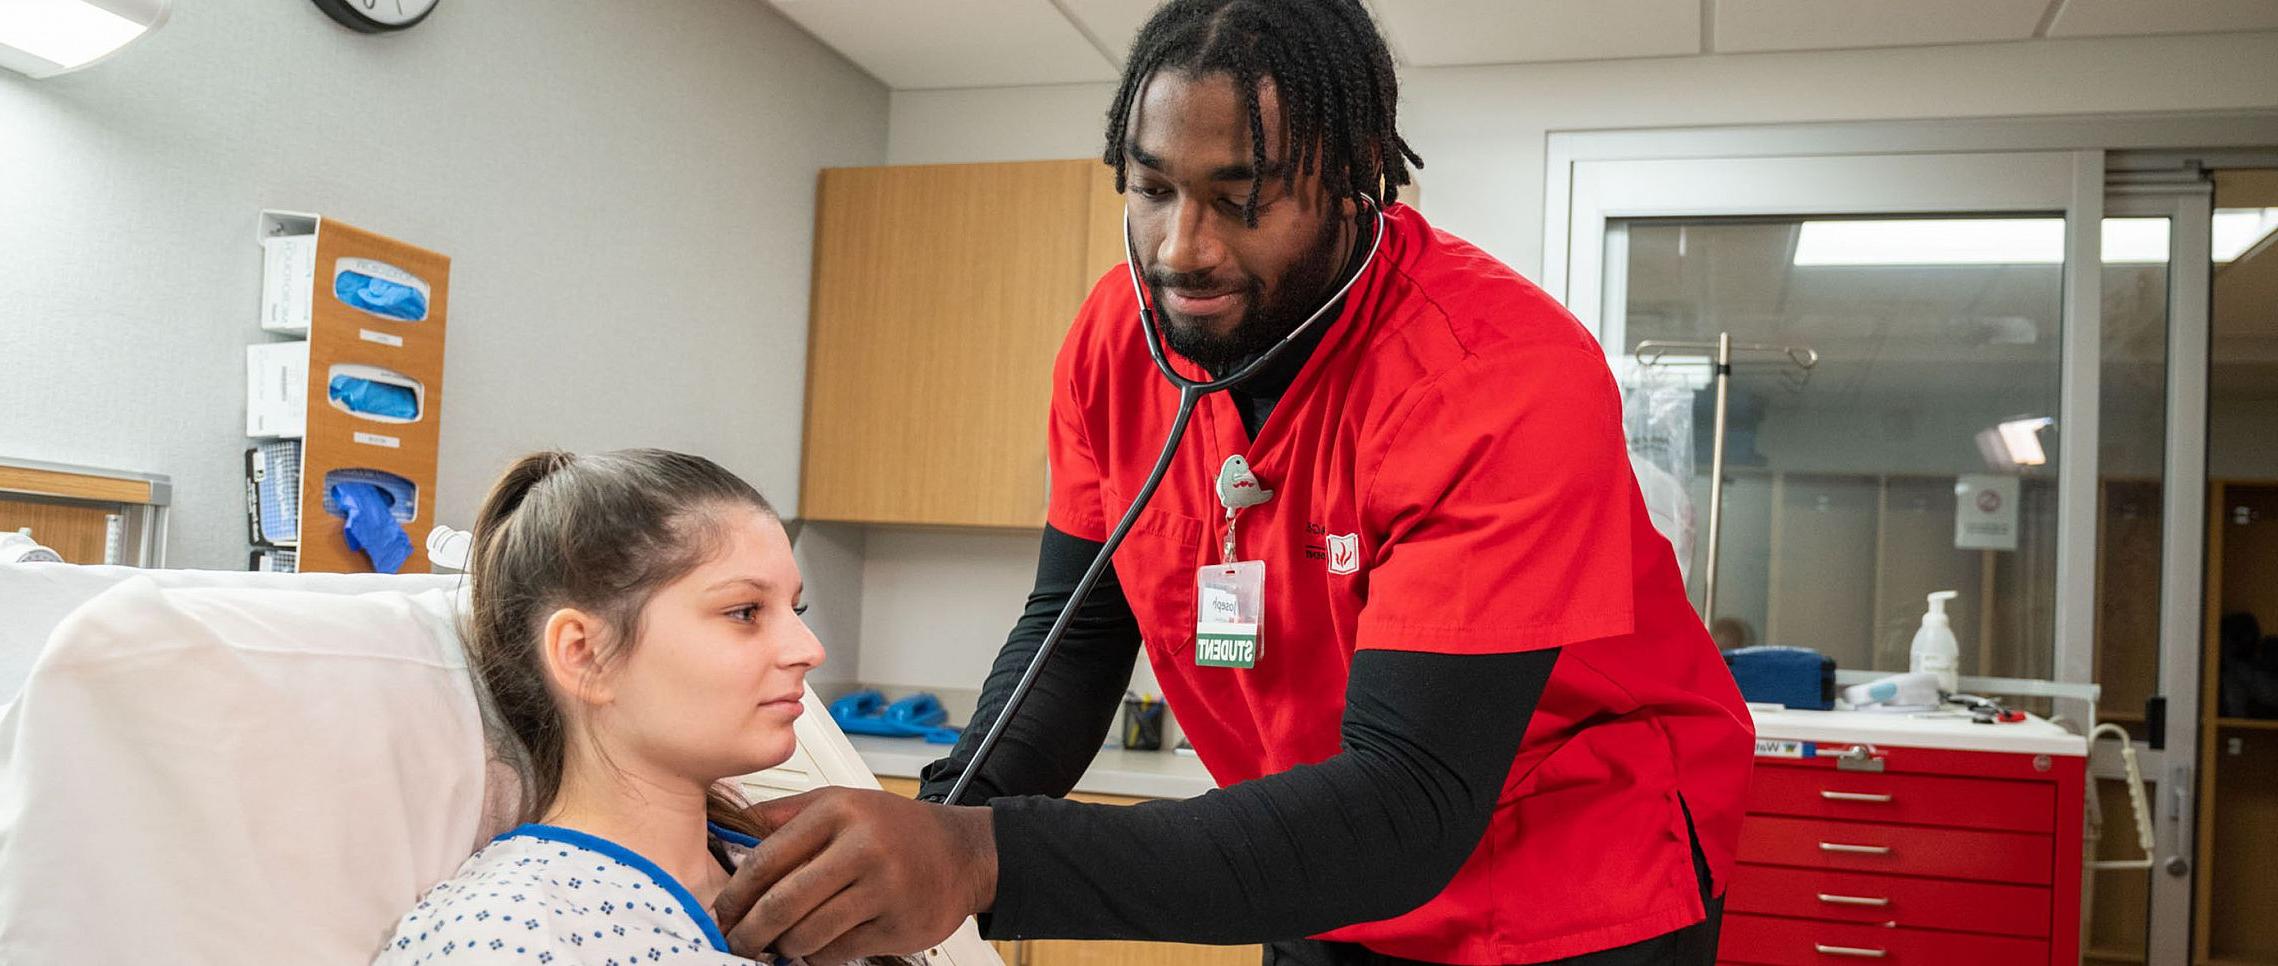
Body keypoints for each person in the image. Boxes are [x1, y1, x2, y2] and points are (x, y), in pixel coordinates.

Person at [715, 2, 1755, 963]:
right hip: (1313, 854)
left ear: (1355, 179)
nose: (1182, 250)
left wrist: (984, 859)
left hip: (1567, 877)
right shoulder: (1119, 338)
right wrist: (940, 820)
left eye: (1240, 199)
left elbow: (1412, 802)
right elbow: (1074, 631)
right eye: (1153, 189)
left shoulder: (1497, 376)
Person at [377, 449, 840, 964]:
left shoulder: (799, 882)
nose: (810, 650)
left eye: (795, 608)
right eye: (745, 612)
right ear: (584, 654)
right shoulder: (508, 937)